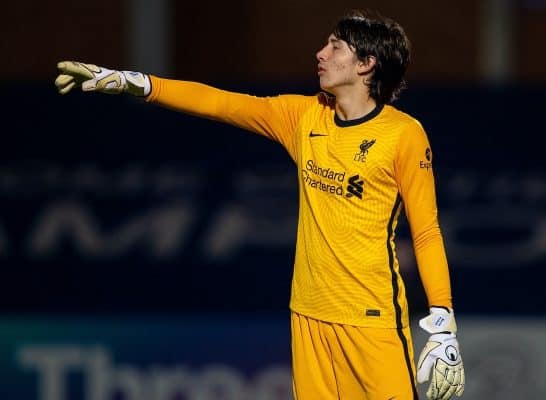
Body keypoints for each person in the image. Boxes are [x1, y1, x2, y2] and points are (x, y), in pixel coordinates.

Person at [55, 10, 464, 400]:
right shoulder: (304, 117)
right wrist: (135, 82)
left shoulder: (403, 135)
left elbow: (426, 231)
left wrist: (442, 323)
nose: (320, 54)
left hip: (372, 320)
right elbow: (223, 103)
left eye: (336, 47)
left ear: (366, 64)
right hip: (307, 315)